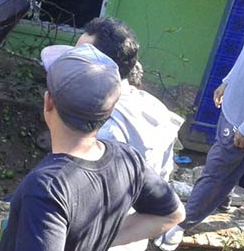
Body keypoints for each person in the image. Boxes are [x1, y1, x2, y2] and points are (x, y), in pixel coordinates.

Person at [0, 44, 184, 251]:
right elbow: (172, 214)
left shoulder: (46, 188)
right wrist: (96, 241)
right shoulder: (128, 158)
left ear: (48, 102)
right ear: (109, 111)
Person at [156, 0, 244, 250]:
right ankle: (223, 201)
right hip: (233, 106)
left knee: (214, 171)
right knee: (230, 168)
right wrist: (226, 81)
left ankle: (183, 222)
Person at [77, 17, 184, 181]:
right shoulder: (155, 107)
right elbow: (164, 175)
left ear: (102, 68)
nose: (70, 62)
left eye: (79, 57)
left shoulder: (104, 128)